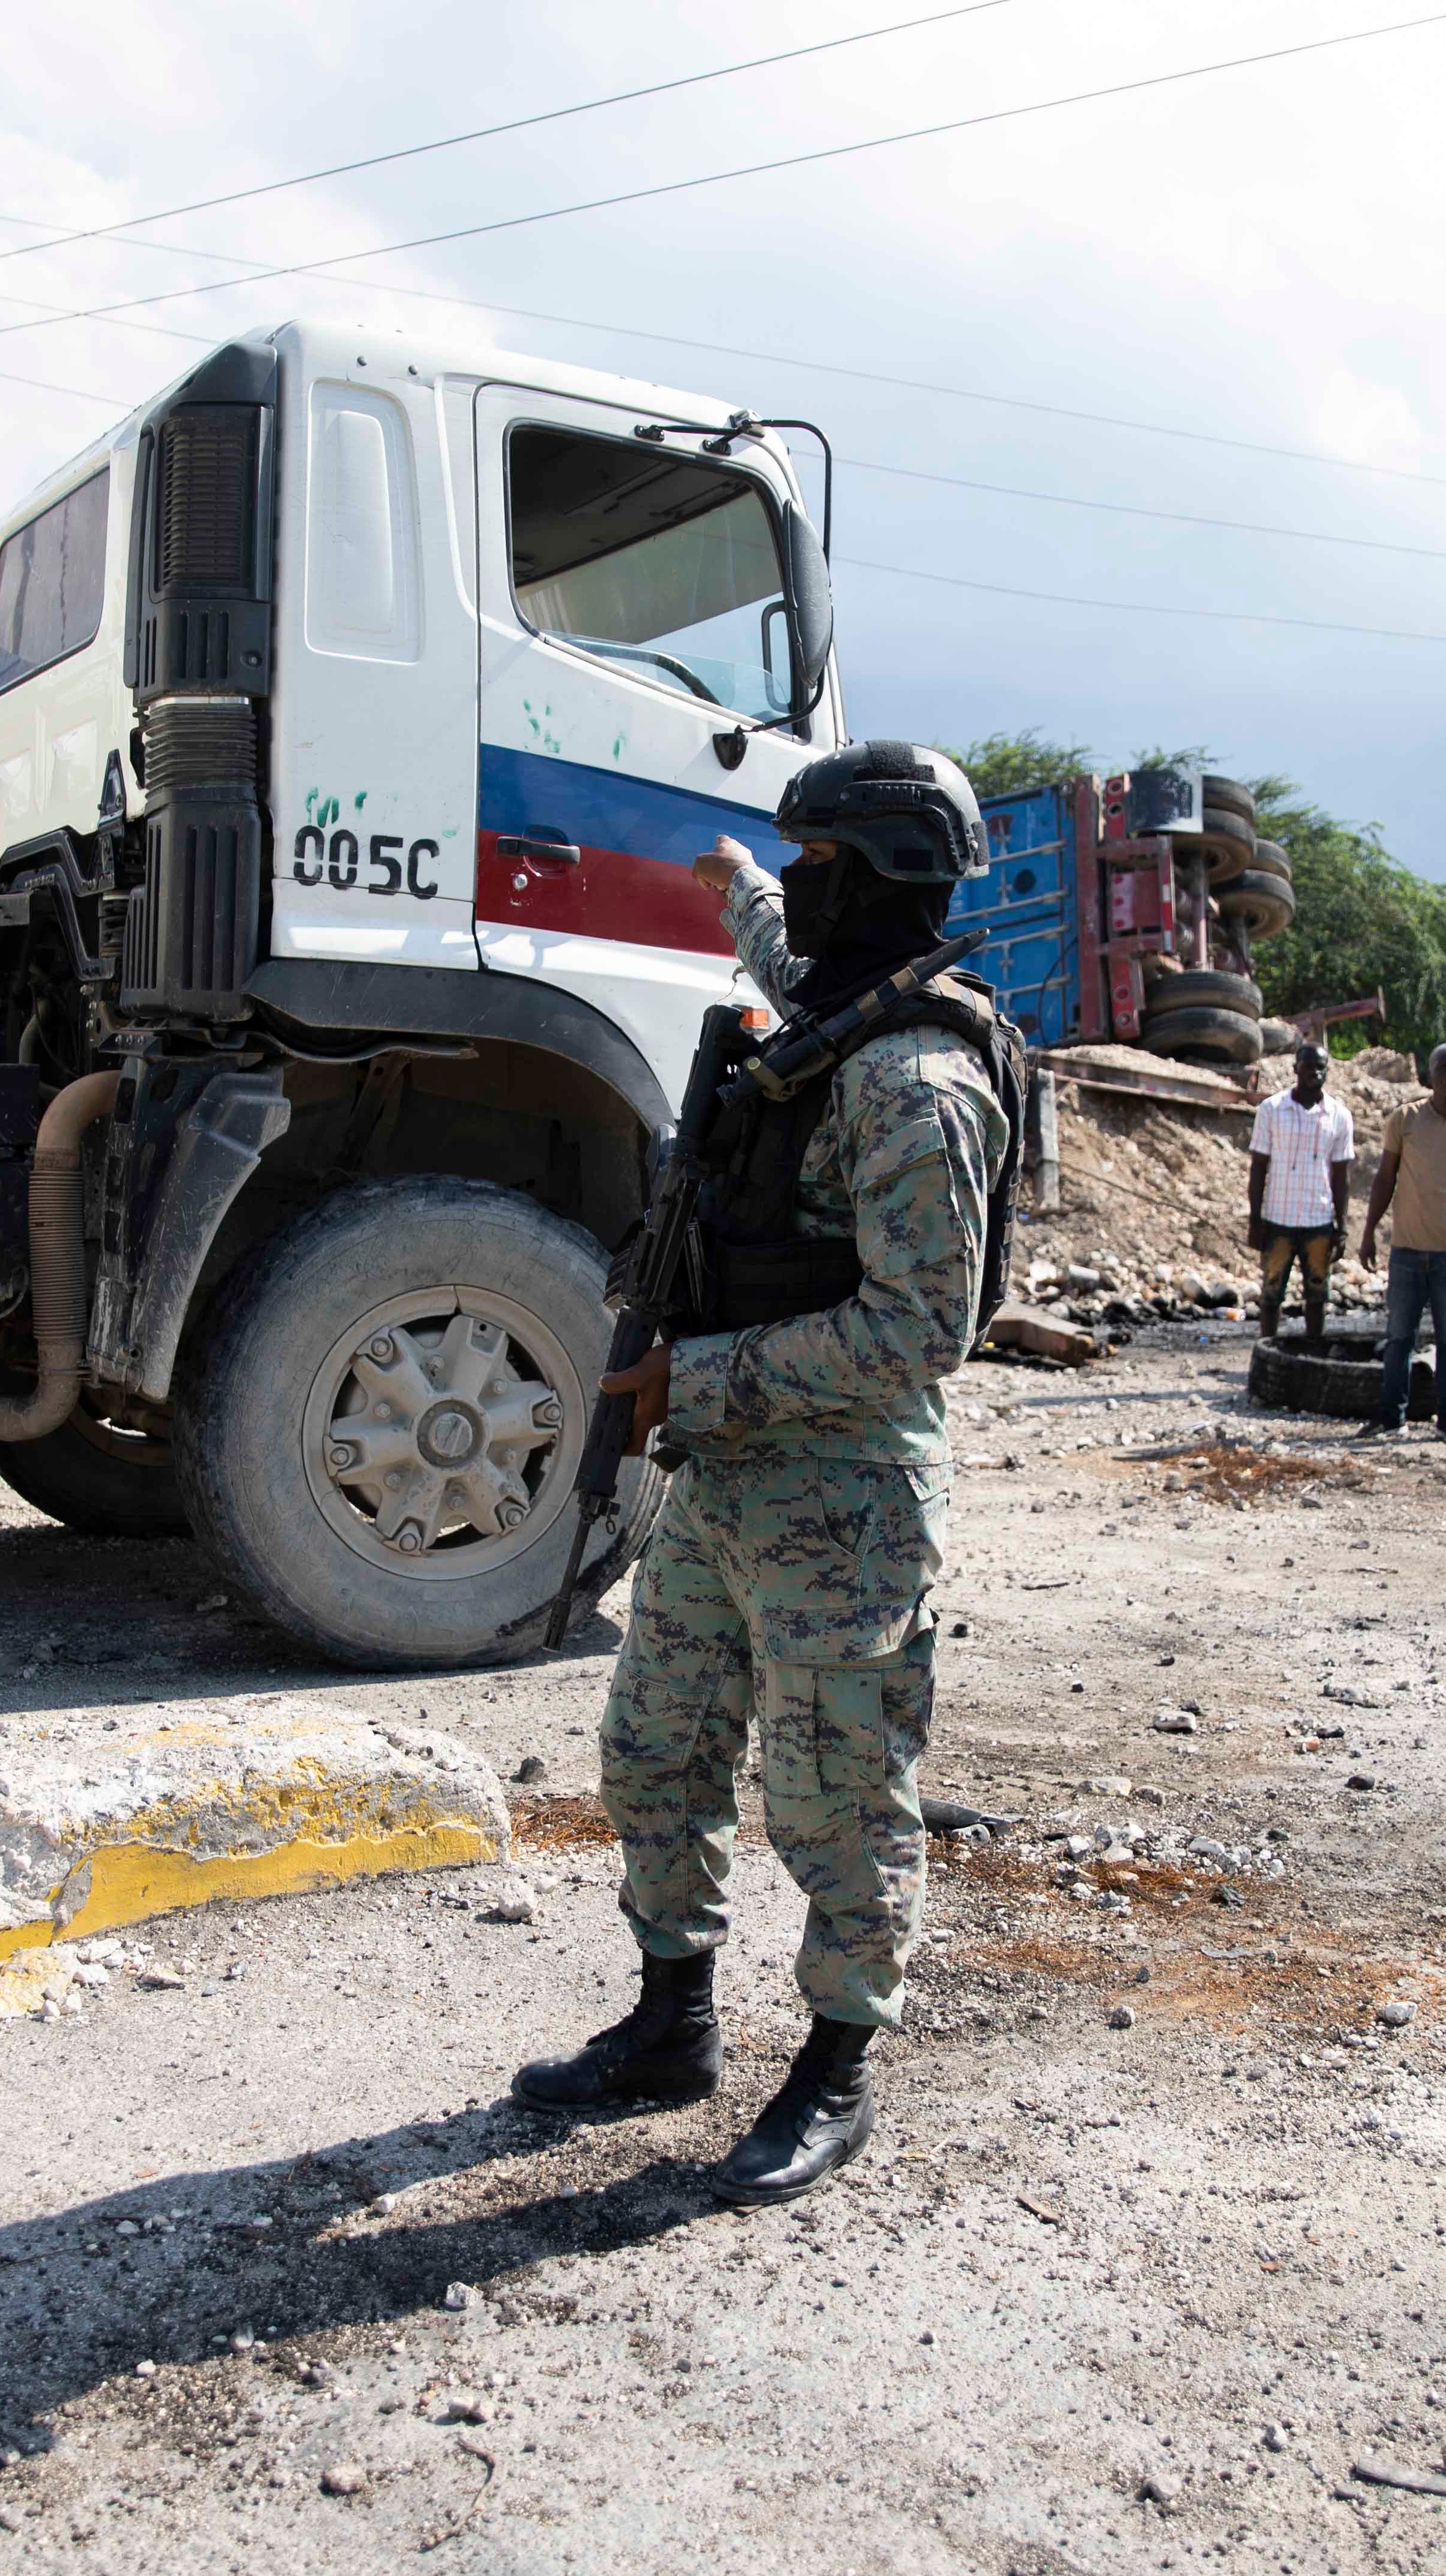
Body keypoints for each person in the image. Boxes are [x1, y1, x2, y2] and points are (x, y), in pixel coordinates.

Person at [513, 741, 1021, 2206]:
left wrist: (697, 1378)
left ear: (870, 871)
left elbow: (923, 1328)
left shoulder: (920, 1079)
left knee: (836, 1791)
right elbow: (790, 962)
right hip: (732, 1474)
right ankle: (672, 2022)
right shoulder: (842, 1012)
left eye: (811, 861)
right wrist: (732, 888)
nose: (795, 881)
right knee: (655, 1744)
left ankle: (836, 2068)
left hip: (846, 1491)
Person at [1352, 1042, 1446, 1442]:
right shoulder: (1406, 1119)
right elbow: (1385, 1179)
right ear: (1429, 1076)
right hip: (1407, 1250)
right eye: (1443, 1069)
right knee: (1399, 1336)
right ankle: (1391, 1417)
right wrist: (1368, 1234)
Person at [1245, 1044, 1357, 1339]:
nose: (1315, 1073)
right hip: (1277, 1219)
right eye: (1309, 1067)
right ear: (1296, 1069)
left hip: (1318, 1220)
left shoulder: (1339, 1116)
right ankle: (1267, 1350)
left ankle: (1313, 1354)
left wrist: (1342, 1227)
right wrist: (1255, 1220)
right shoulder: (1271, 1110)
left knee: (1318, 1295)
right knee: (1271, 1294)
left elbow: (1342, 1174)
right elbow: (1258, 1167)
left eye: (1321, 1068)